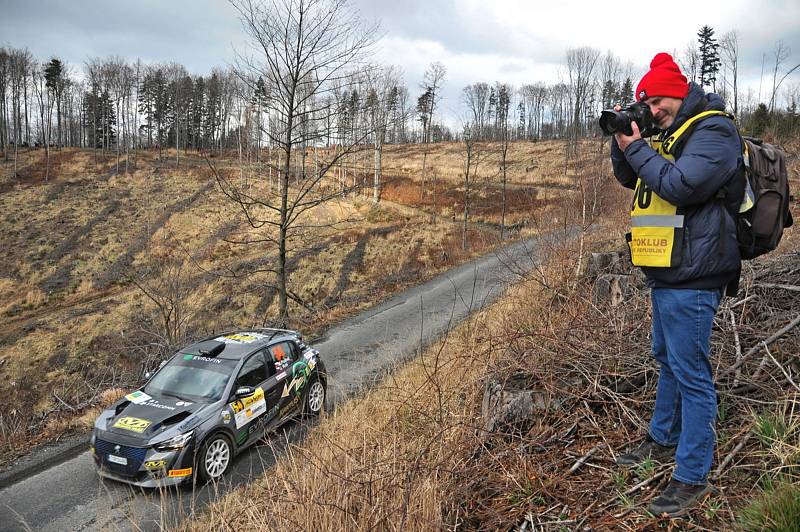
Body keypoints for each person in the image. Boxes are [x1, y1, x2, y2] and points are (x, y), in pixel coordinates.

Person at [610, 52, 743, 517]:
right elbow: (631, 176)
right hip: (667, 268)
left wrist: (638, 147)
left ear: (679, 91)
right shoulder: (669, 133)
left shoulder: (714, 131)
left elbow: (683, 186)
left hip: (697, 271)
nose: (655, 110)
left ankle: (691, 476)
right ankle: (661, 440)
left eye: (658, 101)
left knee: (692, 373)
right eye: (645, 103)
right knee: (667, 358)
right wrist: (623, 137)